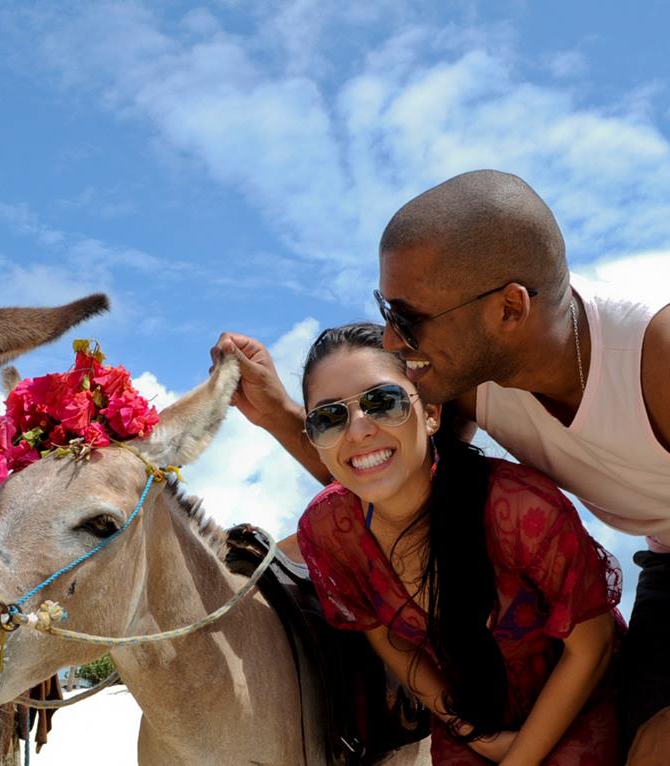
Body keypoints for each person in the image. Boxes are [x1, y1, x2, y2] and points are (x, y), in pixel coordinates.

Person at [211, 170, 670, 765]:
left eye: (406, 317)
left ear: (509, 309)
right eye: (385, 312)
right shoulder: (459, 378)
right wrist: (278, 415)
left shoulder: (654, 354)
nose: (390, 340)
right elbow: (395, 490)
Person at [295, 322, 621, 765]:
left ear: (431, 413)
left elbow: (592, 646)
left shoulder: (519, 508)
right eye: (329, 417)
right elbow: (389, 639)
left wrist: (516, 758)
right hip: (472, 720)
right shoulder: (330, 529)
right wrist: (475, 734)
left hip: (580, 699)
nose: (357, 431)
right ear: (316, 444)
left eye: (382, 402)